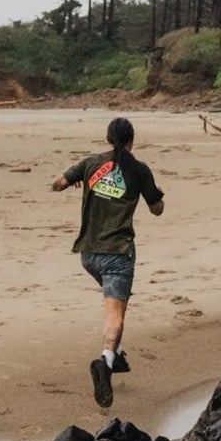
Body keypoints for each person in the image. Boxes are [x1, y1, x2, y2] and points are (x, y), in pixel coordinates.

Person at [52, 116, 163, 411]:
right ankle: (106, 363)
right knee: (115, 314)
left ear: (107, 139)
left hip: (88, 254)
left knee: (117, 305)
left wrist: (77, 183)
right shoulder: (139, 170)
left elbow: (58, 184)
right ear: (131, 141)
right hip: (117, 252)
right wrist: (153, 193)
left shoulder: (90, 164)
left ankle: (120, 355)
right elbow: (157, 210)